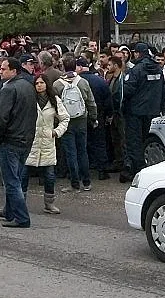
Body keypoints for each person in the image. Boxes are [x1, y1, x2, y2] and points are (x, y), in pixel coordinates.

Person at [0, 58, 37, 227]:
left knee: (11, 181)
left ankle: (22, 218)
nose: (0, 71)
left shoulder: (8, 89)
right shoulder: (28, 86)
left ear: (14, 71)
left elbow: (1, 117)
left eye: (4, 69)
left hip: (10, 140)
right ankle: (9, 211)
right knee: (15, 176)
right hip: (25, 138)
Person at [120, 43, 165, 183]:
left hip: (135, 113)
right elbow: (164, 90)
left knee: (134, 143)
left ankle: (138, 171)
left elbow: (127, 90)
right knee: (145, 141)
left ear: (137, 53)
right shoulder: (158, 69)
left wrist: (122, 104)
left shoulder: (136, 70)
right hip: (152, 112)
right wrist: (161, 107)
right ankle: (142, 168)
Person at [22, 74, 69, 214]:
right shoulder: (29, 99)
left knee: (49, 175)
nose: (39, 85)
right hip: (31, 142)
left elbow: (65, 118)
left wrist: (56, 132)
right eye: (37, 83)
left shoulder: (54, 100)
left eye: (42, 82)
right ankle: (20, 203)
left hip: (47, 142)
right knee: (23, 174)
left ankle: (49, 204)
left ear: (47, 84)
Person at [52, 55, 97, 192]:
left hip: (66, 121)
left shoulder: (57, 84)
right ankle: (87, 182)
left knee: (70, 152)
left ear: (63, 67)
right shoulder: (83, 82)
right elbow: (91, 102)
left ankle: (75, 184)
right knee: (82, 151)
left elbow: (54, 105)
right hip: (81, 119)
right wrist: (93, 117)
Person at [76, 57, 112, 180]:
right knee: (99, 142)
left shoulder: (76, 82)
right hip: (98, 116)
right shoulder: (100, 81)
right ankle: (102, 170)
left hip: (80, 117)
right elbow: (108, 100)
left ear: (80, 67)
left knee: (82, 144)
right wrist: (109, 114)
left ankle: (82, 171)